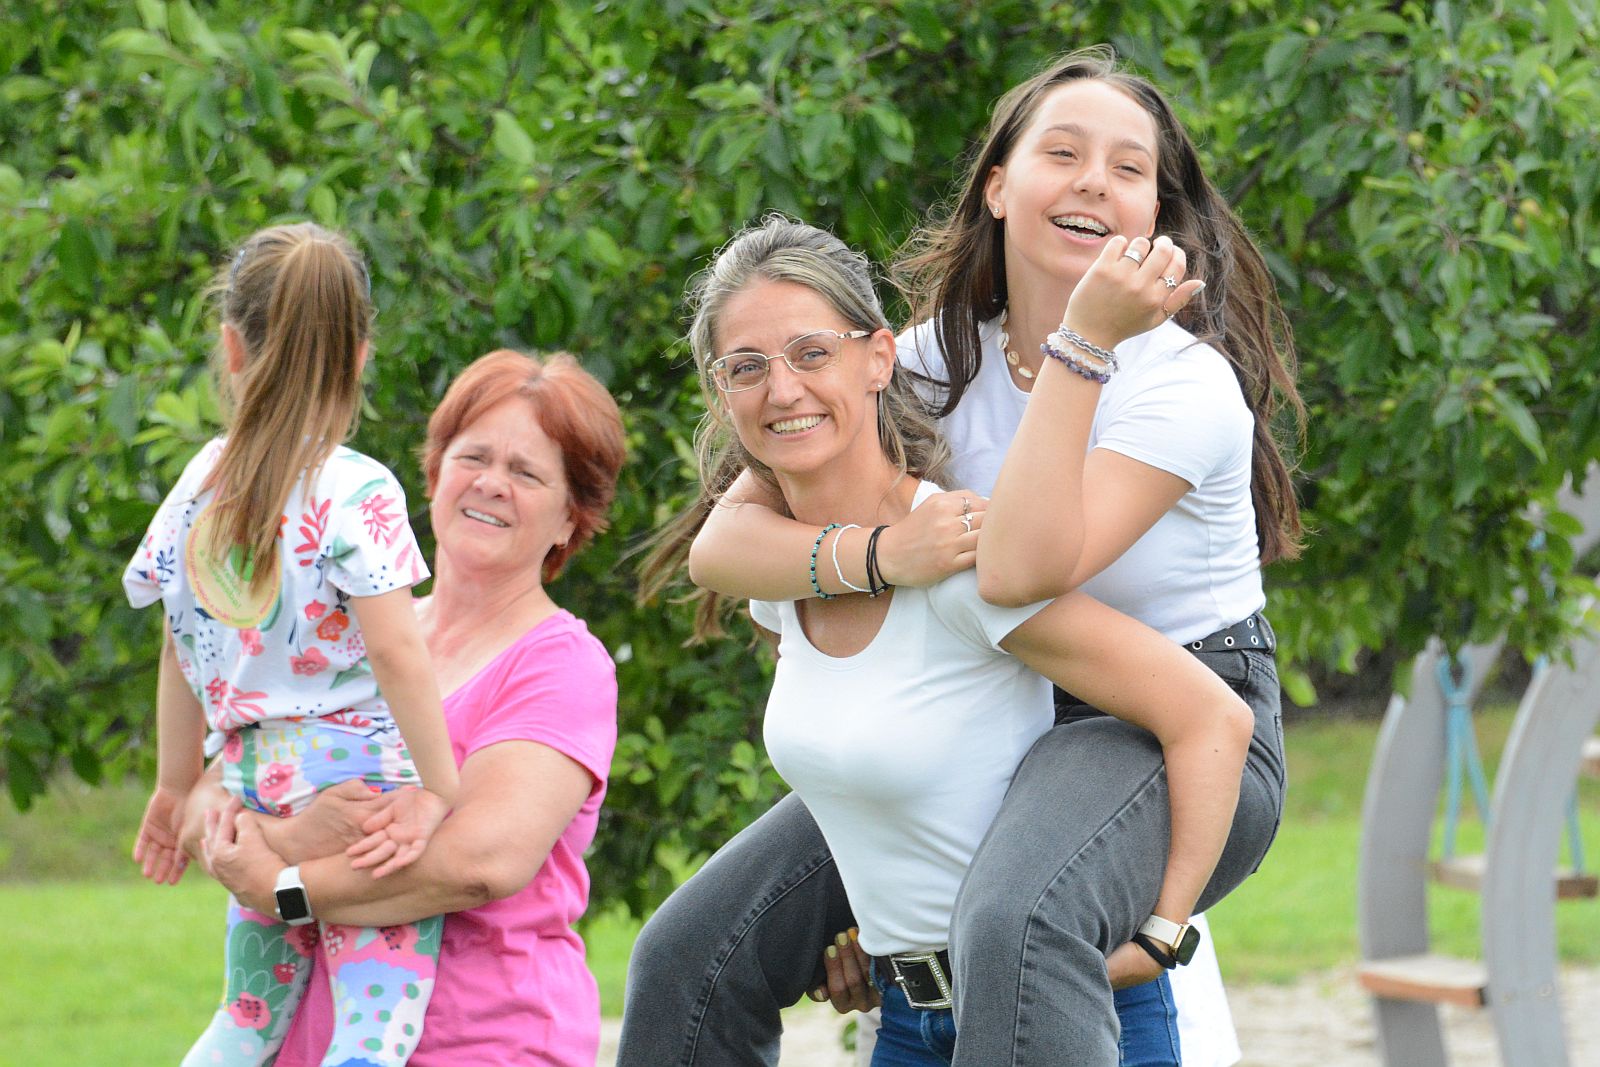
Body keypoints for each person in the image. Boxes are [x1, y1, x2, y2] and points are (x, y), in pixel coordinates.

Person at [621, 46, 1297, 1067]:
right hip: (998, 704)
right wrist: (885, 551)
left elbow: (1023, 569)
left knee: (1015, 918)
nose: (1092, 181)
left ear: (1154, 214)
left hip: (1172, 717)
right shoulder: (932, 357)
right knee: (688, 954)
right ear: (996, 186)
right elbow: (731, 534)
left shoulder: (1180, 384)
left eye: (1128, 168)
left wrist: (1083, 342)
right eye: (1060, 151)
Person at [181, 348, 626, 1067]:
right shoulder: (347, 635)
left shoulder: (562, 665)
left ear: (570, 520)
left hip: (482, 1043)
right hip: (301, 1044)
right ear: (433, 471)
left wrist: (281, 885)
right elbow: (213, 795)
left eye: (526, 471)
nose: (491, 483)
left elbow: (477, 861)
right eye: (472, 455)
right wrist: (286, 832)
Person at [124, 223, 461, 1067]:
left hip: (248, 788)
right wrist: (439, 790)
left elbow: (175, 649)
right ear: (357, 356)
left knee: (244, 1021)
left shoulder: (196, 487)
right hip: (361, 791)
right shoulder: (359, 490)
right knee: (370, 1037)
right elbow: (397, 652)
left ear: (231, 347)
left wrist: (173, 787)